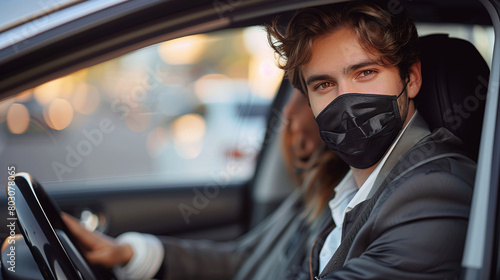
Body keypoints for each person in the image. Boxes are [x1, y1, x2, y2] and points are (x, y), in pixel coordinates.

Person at [265, 1, 476, 279]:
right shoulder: (340, 188)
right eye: (324, 85)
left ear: (411, 78)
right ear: (309, 100)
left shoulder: (436, 191)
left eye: (365, 73)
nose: (346, 102)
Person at [63, 89, 349, 279]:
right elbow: (242, 260)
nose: (289, 111)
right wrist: (130, 252)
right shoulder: (316, 192)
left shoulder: (360, 210)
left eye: (311, 89)